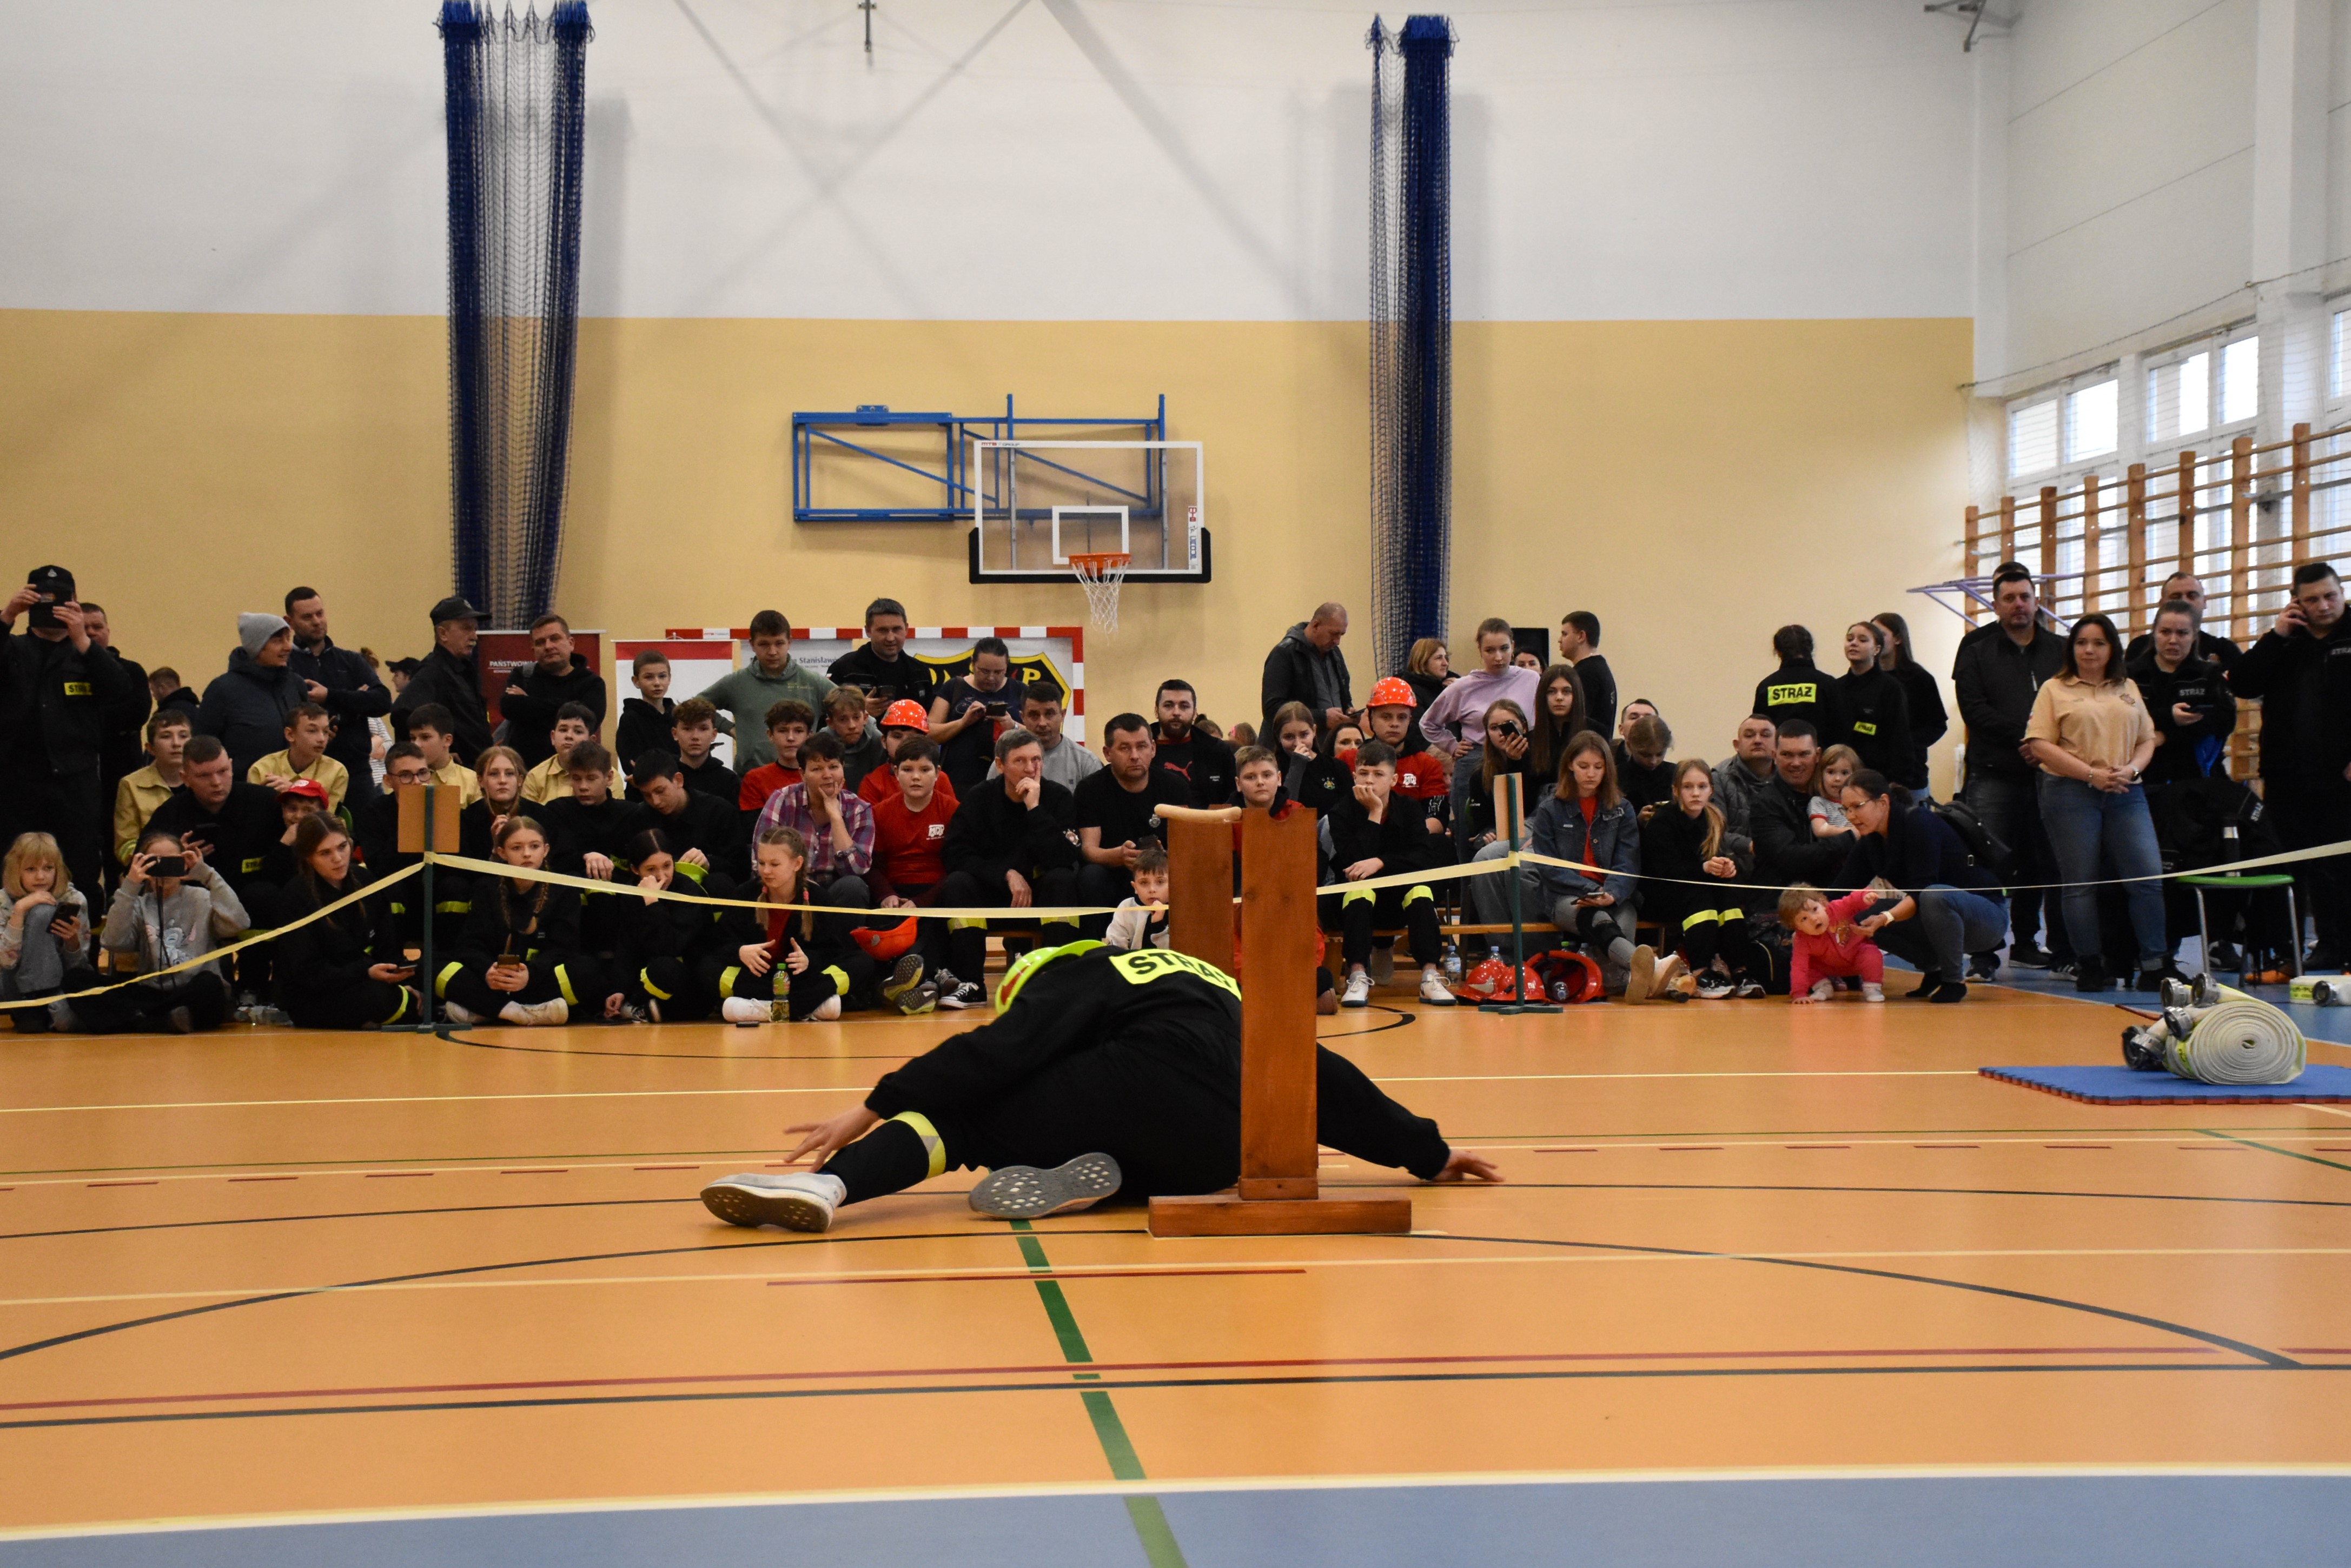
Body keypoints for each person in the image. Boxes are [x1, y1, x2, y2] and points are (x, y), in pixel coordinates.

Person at [698, 938, 1500, 1233]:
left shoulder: (1086, 971)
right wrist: (1426, 1152)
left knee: (968, 1116)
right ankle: (1108, 1180)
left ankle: (831, 1187)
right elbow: (1322, 1077)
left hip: (1142, 1079)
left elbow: (1003, 1049)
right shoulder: (1220, 984)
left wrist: (874, 1103)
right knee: (1114, 1128)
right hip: (1220, 1152)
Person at [2024, 612, 2169, 992]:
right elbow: (2039, 745)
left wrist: (2132, 771)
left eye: (2098, 643)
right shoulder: (2054, 689)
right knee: (2080, 883)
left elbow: (2147, 739)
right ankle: (2089, 963)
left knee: (2147, 877)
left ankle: (2155, 964)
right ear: (2072, 648)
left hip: (2125, 791)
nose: (2089, 650)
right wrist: (2090, 775)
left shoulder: (2127, 687)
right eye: (2081, 643)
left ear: (2112, 649)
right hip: (2070, 791)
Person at [2225, 562, 2351, 970]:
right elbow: (2241, 683)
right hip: (2287, 776)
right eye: (2312, 599)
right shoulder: (2284, 641)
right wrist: (2276, 635)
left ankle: (2342, 946)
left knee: (2340, 865)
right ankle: (2291, 949)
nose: (2324, 606)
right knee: (2291, 864)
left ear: (2342, 593)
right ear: (2297, 602)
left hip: (2342, 777)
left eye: (2330, 596)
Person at [1952, 562, 2068, 970]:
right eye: (2009, 598)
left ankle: (2033, 943)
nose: (2018, 604)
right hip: (1994, 773)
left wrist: (2045, 746)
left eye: (2025, 597)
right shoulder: (1976, 649)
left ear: (2037, 602)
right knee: (1989, 863)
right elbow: (1973, 709)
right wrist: (2029, 738)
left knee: (2045, 862)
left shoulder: (2060, 650)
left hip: (2050, 774)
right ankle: (1983, 952)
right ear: (1996, 605)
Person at [1, 567, 137, 901]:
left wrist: (82, 639)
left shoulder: (88, 655)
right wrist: (7, 616)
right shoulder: (13, 648)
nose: (51, 607)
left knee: (80, 867)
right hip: (18, 781)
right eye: (43, 598)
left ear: (74, 601)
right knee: (14, 864)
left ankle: (79, 934)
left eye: (60, 599)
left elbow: (122, 691)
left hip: (75, 782)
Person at [704, 826, 929, 1024]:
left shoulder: (818, 898)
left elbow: (836, 951)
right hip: (758, 980)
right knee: (706, 967)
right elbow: (718, 944)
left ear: (797, 864)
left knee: (862, 962)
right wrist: (740, 952)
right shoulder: (744, 895)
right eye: (761, 863)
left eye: (774, 864)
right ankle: (807, 1008)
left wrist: (809, 960)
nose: (766, 871)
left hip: (802, 981)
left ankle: (760, 1008)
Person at [1475, 731, 1640, 985]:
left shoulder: (1623, 809)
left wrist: (1612, 893)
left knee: (1624, 924)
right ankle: (1648, 970)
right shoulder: (1550, 809)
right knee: (1600, 922)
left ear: (1608, 769)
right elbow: (1549, 866)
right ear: (1570, 765)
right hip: (1566, 895)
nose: (1591, 774)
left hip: (1613, 894)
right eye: (1584, 766)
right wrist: (1591, 891)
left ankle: (1628, 977)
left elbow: (1628, 862)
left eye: (1598, 767)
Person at [1837, 770, 2006, 1004]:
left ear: (1883, 802)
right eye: (1846, 809)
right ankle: (1933, 969)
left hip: (1986, 918)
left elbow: (1922, 889)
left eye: (1857, 806)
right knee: (1860, 913)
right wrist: (1807, 911)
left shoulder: (1919, 822)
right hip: (1936, 915)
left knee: (1934, 895)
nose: (1851, 816)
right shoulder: (1872, 840)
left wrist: (1886, 917)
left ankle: (1953, 981)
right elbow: (1840, 889)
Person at [56, 828, 242, 1034]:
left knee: (211, 985)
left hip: (192, 989)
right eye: (156, 862)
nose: (164, 869)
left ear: (184, 863)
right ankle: (163, 1020)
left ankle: (138, 1019)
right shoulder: (139, 904)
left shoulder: (202, 898)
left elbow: (239, 923)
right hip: (150, 991)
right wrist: (130, 886)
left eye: (171, 861)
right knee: (76, 979)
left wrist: (207, 875)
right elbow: (112, 942)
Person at [935, 729, 1084, 982]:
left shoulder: (1058, 797)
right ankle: (970, 983)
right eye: (1020, 761)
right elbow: (955, 854)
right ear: (1000, 765)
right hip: (992, 895)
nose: (1030, 768)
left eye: (1036, 760)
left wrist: (1034, 809)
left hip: (1040, 897)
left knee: (1062, 879)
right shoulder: (979, 798)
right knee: (958, 883)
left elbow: (1065, 856)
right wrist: (1005, 874)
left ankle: (1057, 981)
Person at [1321, 740, 1455, 1008]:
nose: (1369, 780)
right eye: (1364, 773)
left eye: (1378, 774)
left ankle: (1430, 976)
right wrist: (1375, 812)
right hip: (1356, 903)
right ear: (1354, 776)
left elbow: (1422, 857)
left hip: (1398, 899)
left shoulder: (1409, 808)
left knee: (1421, 890)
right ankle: (1357, 975)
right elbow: (1352, 864)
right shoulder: (1341, 812)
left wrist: (1380, 862)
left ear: (1393, 779)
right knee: (1357, 890)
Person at [865, 735, 985, 1009]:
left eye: (924, 769)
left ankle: (925, 981)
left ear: (938, 773)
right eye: (908, 770)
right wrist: (886, 896)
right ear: (896, 772)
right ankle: (933, 979)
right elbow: (873, 866)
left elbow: (957, 865)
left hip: (937, 893)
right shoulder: (880, 813)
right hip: (896, 894)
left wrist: (921, 903)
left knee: (936, 915)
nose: (916, 777)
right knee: (881, 920)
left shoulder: (953, 810)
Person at [1632, 760, 1767, 1001]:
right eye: (1688, 787)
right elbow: (1665, 871)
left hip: (1697, 887)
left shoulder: (1713, 819)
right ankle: (1700, 970)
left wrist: (1726, 867)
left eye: (1702, 787)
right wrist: (1704, 868)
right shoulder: (1662, 821)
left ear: (1711, 790)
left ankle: (1740, 970)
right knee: (1701, 897)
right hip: (1659, 894)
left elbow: (1715, 859)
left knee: (1727, 895)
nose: (1696, 793)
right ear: (1676, 791)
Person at [273, 813, 420, 1030]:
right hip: (314, 997)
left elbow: (387, 944)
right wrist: (366, 972)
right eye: (325, 853)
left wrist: (397, 976)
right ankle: (415, 1009)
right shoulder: (295, 898)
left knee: (426, 976)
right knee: (379, 997)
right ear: (308, 857)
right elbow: (309, 974)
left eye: (342, 847)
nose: (338, 858)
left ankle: (411, 1005)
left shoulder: (365, 880)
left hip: (364, 979)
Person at [435, 815, 585, 1028]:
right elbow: (469, 945)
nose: (527, 854)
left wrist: (529, 975)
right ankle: (516, 1012)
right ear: (502, 852)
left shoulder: (564, 890)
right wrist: (488, 971)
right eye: (517, 848)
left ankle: (486, 1010)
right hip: (492, 981)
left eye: (534, 846)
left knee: (587, 971)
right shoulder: (486, 888)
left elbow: (563, 948)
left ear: (546, 850)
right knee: (432, 965)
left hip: (535, 981)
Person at [1421, 618, 1542, 850]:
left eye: (1504, 648)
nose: (1498, 657)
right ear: (1480, 650)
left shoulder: (1531, 679)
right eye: (1490, 650)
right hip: (1475, 761)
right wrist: (1451, 745)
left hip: (1521, 760)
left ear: (1513, 646)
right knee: (1470, 840)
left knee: (1517, 838)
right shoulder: (1463, 686)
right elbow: (1428, 723)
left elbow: (1540, 724)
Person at [1074, 713, 1189, 929]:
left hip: (1162, 875)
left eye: (1142, 746)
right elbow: (1089, 850)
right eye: (1125, 748)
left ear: (1153, 749)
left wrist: (1162, 856)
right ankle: (1095, 946)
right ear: (1108, 753)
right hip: (1114, 873)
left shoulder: (1175, 787)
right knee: (1091, 876)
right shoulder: (1090, 789)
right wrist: (1119, 856)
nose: (1135, 756)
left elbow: (1186, 847)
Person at [355, 743, 468, 958]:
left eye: (423, 773)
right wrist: (411, 820)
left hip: (437, 892)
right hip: (401, 894)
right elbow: (378, 867)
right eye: (406, 776)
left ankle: (450, 956)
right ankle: (393, 959)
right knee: (391, 889)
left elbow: (463, 863)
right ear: (388, 781)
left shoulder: (447, 807)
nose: (417, 782)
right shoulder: (373, 813)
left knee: (456, 887)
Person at [283, 587, 392, 809]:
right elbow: (288, 712)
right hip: (304, 773)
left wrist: (330, 696)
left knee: (364, 829)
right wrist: (356, 701)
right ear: (290, 622)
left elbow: (382, 701)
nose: (317, 622)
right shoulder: (286, 665)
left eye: (320, 614)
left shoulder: (350, 661)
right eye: (307, 617)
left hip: (356, 771)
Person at [692, 610, 835, 771]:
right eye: (764, 644)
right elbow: (694, 707)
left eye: (779, 643)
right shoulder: (736, 683)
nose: (772, 651)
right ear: (752, 644)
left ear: (790, 642)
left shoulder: (813, 683)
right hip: (749, 777)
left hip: (803, 777)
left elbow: (849, 711)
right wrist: (728, 728)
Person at [2130, 599, 2237, 788]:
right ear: (2154, 633)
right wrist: (2169, 717)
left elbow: (2224, 721)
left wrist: (2166, 736)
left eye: (2182, 633)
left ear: (2194, 635)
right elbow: (2126, 721)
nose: (2173, 640)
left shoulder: (2209, 674)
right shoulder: (2131, 675)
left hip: (2197, 778)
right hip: (2144, 778)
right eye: (2165, 632)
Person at [1744, 719, 1850, 891]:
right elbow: (1791, 858)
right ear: (1775, 756)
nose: (1796, 763)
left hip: (1837, 893)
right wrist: (1851, 837)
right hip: (1781, 898)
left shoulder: (1841, 796)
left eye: (1804, 754)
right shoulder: (1764, 803)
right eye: (1787, 755)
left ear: (1818, 755)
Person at [1, 831, 92, 1031]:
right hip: (14, 989)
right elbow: (5, 962)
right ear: (16, 871)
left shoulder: (74, 899)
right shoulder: (3, 901)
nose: (41, 877)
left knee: (65, 1021)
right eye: (31, 869)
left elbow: (79, 968)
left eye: (48, 868)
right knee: (42, 912)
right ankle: (34, 1004)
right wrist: (19, 911)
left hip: (60, 987)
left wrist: (72, 943)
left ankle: (44, 1005)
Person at [389, 596, 494, 763]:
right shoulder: (433, 670)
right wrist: (433, 754)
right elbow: (401, 712)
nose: (474, 636)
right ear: (443, 634)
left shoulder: (466, 670)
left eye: (475, 629)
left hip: (475, 769)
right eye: (467, 629)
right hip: (453, 773)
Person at [78, 602, 153, 831]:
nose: (91, 632)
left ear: (108, 631)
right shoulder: (63, 672)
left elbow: (137, 713)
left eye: (97, 627)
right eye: (84, 628)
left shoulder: (131, 671)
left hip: (121, 766)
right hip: (77, 773)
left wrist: (87, 716)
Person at [499, 613, 606, 769]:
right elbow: (509, 707)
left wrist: (528, 703)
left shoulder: (592, 683)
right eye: (540, 642)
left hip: (574, 773)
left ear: (571, 643)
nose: (548, 646)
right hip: (524, 773)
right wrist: (568, 708)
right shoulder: (523, 675)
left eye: (555, 639)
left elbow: (588, 723)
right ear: (533, 649)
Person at [625, 750, 747, 885]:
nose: (656, 802)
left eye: (660, 791)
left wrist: (709, 863)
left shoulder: (720, 812)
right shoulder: (640, 818)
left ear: (679, 780)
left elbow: (741, 869)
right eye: (647, 795)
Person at [928, 636, 1017, 797]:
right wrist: (963, 722)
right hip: (958, 781)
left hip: (1007, 782)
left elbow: (1038, 737)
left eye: (998, 672)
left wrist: (1013, 726)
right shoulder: (954, 687)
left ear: (1007, 667)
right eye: (984, 671)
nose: (991, 678)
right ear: (972, 663)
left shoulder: (1019, 690)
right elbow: (928, 733)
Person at [1871, 610, 1946, 792]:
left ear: (1898, 639)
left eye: (1881, 635)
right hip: (1872, 775)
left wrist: (1905, 744)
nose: (1876, 641)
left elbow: (1937, 725)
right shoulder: (1868, 678)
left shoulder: (1920, 679)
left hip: (1910, 776)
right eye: (1872, 635)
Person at [1835, 621, 1917, 787]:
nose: (1854, 643)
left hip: (1879, 778)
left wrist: (1898, 782)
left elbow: (1900, 738)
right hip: (1840, 779)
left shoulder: (1890, 688)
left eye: (1863, 640)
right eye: (1850, 639)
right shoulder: (1836, 687)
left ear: (1877, 649)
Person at [1458, 698, 1538, 862]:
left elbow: (1527, 808)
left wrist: (1517, 762)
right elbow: (1481, 822)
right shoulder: (1480, 775)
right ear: (1487, 733)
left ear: (1524, 727)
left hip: (1534, 832)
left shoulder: (1539, 763)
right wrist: (1487, 833)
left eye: (1509, 725)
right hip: (1499, 840)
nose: (1502, 732)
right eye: (1494, 728)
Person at [826, 598, 936, 717]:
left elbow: (929, 722)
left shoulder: (920, 673)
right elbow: (824, 718)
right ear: (868, 631)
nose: (890, 638)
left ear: (906, 628)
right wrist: (859, 712)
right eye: (883, 631)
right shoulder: (844, 669)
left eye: (896, 629)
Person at [540, 741, 632, 881]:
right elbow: (556, 861)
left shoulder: (629, 814)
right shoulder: (557, 811)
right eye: (576, 779)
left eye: (591, 779)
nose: (583, 787)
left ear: (609, 778)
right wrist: (585, 857)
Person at [1779, 885, 1886, 1004]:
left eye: (1815, 910)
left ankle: (1873, 988)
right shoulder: (1801, 939)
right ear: (1796, 926)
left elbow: (1852, 900)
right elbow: (1799, 967)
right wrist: (1799, 994)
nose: (1813, 919)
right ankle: (1823, 987)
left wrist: (1865, 896)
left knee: (1871, 953)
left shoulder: (1837, 909)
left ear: (1823, 904)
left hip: (1857, 957)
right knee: (1807, 965)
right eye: (1804, 919)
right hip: (1827, 967)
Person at [1261, 602, 1354, 738]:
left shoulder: (1335, 654)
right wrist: (1322, 718)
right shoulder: (1284, 653)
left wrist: (1348, 710)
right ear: (1316, 626)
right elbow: (1272, 709)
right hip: (1291, 744)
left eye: (1341, 635)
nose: (1337, 641)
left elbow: (1344, 695)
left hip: (1328, 743)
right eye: (1333, 634)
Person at [988, 683, 1101, 794]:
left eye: (1049, 714)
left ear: (1062, 715)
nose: (1042, 723)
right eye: (1034, 715)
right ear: (1023, 717)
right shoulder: (1004, 762)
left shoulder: (1086, 762)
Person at [114, 708, 191, 868]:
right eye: (166, 736)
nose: (177, 743)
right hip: (151, 872)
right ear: (150, 748)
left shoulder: (204, 778)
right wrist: (167, 856)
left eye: (183, 736)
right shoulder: (131, 785)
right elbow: (124, 846)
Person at [2123, 572, 2242, 672]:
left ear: (2205, 602)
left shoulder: (2224, 650)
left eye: (2192, 596)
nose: (2184, 602)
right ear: (2161, 604)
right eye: (2176, 597)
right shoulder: (2139, 647)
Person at [1752, 626, 1847, 747]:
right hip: (1820, 756)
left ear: (1778, 652)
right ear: (1811, 648)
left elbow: (1760, 729)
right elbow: (1841, 729)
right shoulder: (1827, 684)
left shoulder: (1766, 686)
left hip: (1780, 756)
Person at [857, 700, 959, 812]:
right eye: (897, 737)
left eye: (912, 738)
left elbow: (954, 817)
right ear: (884, 741)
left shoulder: (939, 779)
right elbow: (867, 822)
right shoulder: (872, 783)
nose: (904, 743)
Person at [247, 701, 349, 812]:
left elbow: (328, 819)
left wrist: (294, 791)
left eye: (325, 732)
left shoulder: (337, 771)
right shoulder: (262, 769)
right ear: (290, 735)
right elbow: (254, 816)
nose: (322, 739)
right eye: (312, 731)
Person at [1149, 679, 1236, 808]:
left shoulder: (1218, 752)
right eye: (1168, 705)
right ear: (1156, 711)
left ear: (1195, 713)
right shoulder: (1140, 751)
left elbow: (1233, 799)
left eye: (1184, 706)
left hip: (1207, 819)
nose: (1176, 712)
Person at [737, 699, 813, 821]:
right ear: (770, 735)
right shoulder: (755, 780)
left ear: (809, 735)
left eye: (798, 731)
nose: (791, 738)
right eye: (783, 731)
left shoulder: (827, 776)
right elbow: (756, 827)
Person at [1525, 662, 1597, 787]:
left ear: (1576, 695)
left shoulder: (1596, 732)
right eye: (1551, 692)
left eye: (1566, 692)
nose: (1559, 698)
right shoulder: (1531, 739)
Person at [403, 705, 485, 808]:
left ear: (447, 740)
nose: (416, 745)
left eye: (425, 737)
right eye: (413, 738)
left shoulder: (471, 780)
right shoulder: (404, 777)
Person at [615, 648, 677, 781]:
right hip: (643, 788)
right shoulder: (630, 719)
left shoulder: (678, 716)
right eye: (649, 677)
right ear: (636, 681)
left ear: (670, 678)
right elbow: (631, 765)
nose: (657, 683)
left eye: (662, 676)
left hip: (677, 785)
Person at [1710, 714, 1777, 834]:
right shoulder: (1718, 777)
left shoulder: (1788, 775)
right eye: (1749, 736)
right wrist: (1751, 844)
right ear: (1737, 745)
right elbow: (1716, 833)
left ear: (1777, 744)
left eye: (1765, 735)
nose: (1758, 741)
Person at [460, 745, 531, 861]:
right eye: (494, 774)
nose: (502, 781)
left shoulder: (541, 815)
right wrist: (495, 851)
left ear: (520, 780)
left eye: (509, 774)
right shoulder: (466, 820)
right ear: (480, 781)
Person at [670, 698, 741, 805]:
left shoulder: (730, 781)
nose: (695, 737)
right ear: (675, 734)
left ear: (714, 734)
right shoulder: (666, 778)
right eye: (687, 729)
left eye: (703, 729)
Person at [818, 687, 890, 794]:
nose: (852, 726)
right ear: (831, 723)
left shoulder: (877, 740)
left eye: (856, 718)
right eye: (843, 720)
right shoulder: (821, 744)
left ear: (865, 718)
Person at [1104, 839, 1171, 953]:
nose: (1152, 890)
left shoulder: (1178, 911)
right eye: (1144, 883)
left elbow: (1176, 954)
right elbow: (1114, 947)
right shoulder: (1126, 908)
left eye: (1160, 882)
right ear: (1135, 887)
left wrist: (1159, 926)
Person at [520, 704, 594, 804]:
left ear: (591, 741)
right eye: (563, 730)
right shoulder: (535, 777)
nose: (569, 736)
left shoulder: (606, 775)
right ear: (553, 737)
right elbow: (527, 814)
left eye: (578, 732)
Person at [1557, 611, 1616, 735]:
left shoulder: (1586, 673)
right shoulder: (1599, 667)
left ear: (1581, 637)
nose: (1559, 640)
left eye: (1565, 634)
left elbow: (1577, 721)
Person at [1614, 710, 1673, 814]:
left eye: (1660, 754)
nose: (1653, 761)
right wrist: (1635, 820)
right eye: (1645, 755)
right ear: (1629, 745)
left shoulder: (1678, 775)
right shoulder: (1615, 777)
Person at [1810, 744, 1860, 837]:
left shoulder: (1859, 804)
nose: (1838, 779)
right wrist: (1853, 832)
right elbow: (1820, 830)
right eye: (1831, 772)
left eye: (1845, 773)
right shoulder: (1819, 802)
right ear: (1821, 775)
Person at [1399, 636, 1453, 712]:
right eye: (1439, 658)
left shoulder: (1449, 685)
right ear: (1423, 662)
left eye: (1446, 658)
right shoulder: (1412, 692)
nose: (1446, 663)